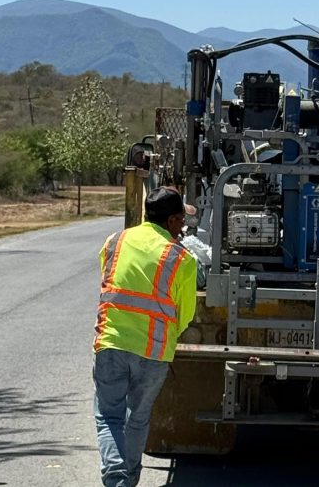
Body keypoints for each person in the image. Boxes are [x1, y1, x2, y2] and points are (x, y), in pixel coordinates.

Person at [93, 186, 198, 487]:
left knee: (109, 416)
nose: (183, 226)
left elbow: (108, 281)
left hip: (111, 343)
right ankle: (125, 478)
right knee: (137, 418)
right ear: (171, 220)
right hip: (154, 352)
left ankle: (118, 478)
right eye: (181, 220)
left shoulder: (115, 241)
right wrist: (168, 335)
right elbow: (185, 313)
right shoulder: (181, 259)